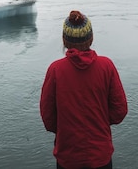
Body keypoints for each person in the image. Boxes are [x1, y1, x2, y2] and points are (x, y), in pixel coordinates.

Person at [40, 10, 128, 169]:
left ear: (64, 40)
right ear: (91, 38)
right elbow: (119, 111)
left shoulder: (55, 70)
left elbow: (48, 118)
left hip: (68, 156)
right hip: (100, 155)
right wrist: (98, 122)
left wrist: (66, 129)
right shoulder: (106, 66)